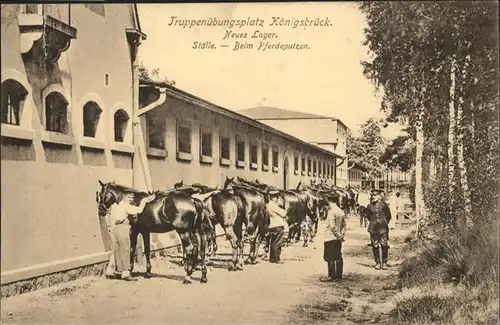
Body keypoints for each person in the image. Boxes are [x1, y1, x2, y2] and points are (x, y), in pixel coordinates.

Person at [105, 192, 156, 281]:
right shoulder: (127, 206)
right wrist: (144, 200)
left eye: (132, 197)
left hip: (115, 228)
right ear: (124, 198)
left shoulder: (116, 205)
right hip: (123, 227)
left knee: (117, 249)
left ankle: (116, 272)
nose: (131, 199)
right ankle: (126, 273)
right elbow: (139, 210)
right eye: (129, 197)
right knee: (125, 249)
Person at [365, 189, 392, 270]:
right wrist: (374, 222)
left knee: (384, 245)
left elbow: (389, 216)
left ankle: (384, 262)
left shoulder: (384, 205)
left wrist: (384, 222)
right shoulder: (369, 206)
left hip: (383, 228)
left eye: (375, 195)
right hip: (373, 229)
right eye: (372, 195)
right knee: (375, 245)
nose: (373, 197)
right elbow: (368, 217)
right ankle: (377, 262)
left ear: (379, 196)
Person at [320, 199, 346, 282]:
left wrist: (338, 235)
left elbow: (332, 227)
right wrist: (341, 235)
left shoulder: (331, 212)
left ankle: (331, 276)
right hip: (338, 239)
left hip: (330, 237)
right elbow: (344, 226)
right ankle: (339, 275)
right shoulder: (341, 211)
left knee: (329, 257)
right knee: (338, 256)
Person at [265, 190, 287, 264]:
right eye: (276, 197)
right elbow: (283, 214)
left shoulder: (268, 205)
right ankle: (276, 258)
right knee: (278, 242)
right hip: (278, 225)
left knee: (273, 242)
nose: (277, 199)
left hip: (272, 225)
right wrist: (284, 210)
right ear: (273, 198)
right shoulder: (273, 205)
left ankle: (272, 258)